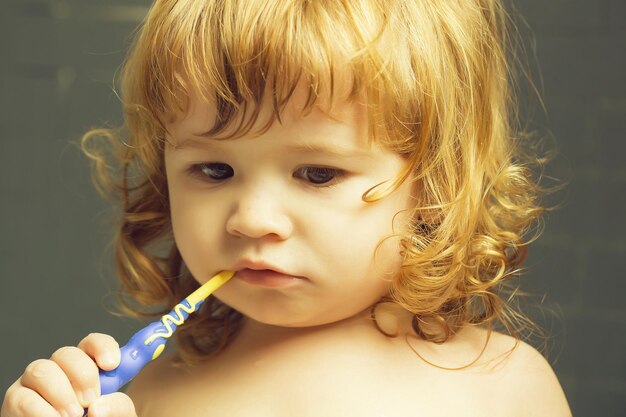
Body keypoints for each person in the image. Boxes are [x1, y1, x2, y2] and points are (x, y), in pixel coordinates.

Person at [1, 0, 572, 416]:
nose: (251, 218)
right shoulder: (147, 397)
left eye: (318, 173)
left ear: (434, 185)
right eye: (214, 169)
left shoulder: (501, 388)